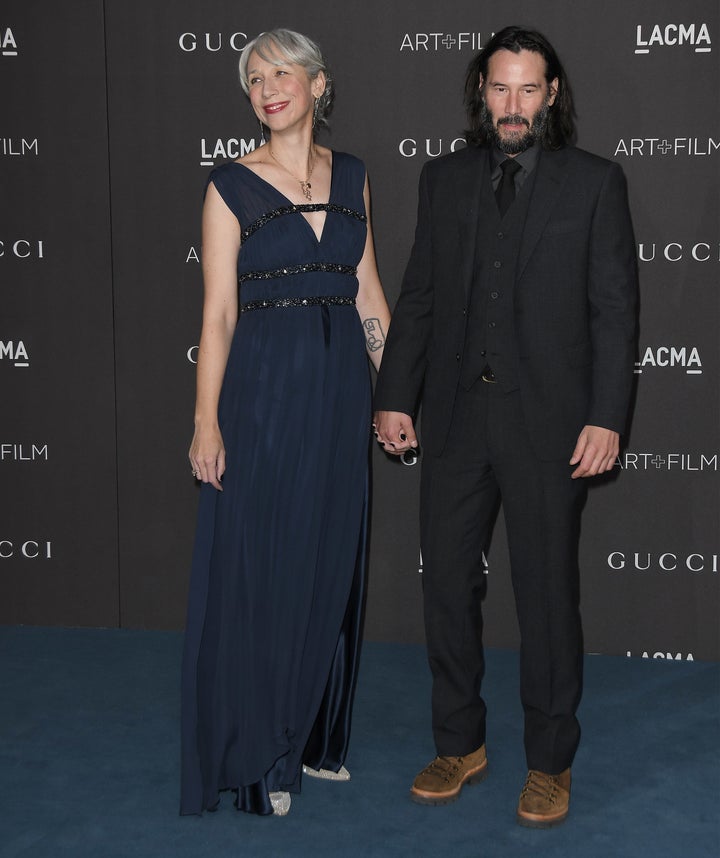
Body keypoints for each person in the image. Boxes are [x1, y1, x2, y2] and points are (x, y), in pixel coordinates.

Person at [373, 25, 637, 828]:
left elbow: (615, 311)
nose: (513, 104)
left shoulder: (594, 184)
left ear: (552, 94)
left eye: (529, 89)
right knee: (448, 588)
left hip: (551, 426)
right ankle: (461, 742)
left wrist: (605, 416)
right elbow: (417, 296)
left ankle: (550, 761)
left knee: (548, 597)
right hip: (455, 420)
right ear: (479, 94)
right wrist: (394, 395)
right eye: (500, 88)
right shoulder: (443, 179)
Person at [181, 28, 390, 818]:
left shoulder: (355, 177)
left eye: (281, 73)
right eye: (254, 78)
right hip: (264, 398)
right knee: (265, 568)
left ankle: (313, 734)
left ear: (319, 84)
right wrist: (206, 424)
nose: (267, 88)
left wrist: (396, 393)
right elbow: (220, 313)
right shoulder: (231, 185)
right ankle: (264, 753)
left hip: (340, 397)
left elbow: (368, 294)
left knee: (330, 557)